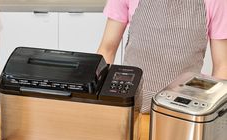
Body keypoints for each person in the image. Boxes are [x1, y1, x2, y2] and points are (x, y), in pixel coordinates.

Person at [97, 0, 227, 113]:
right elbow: (107, 49)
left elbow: (222, 66)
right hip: (129, 109)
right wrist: (98, 102)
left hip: (183, 115)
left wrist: (212, 118)